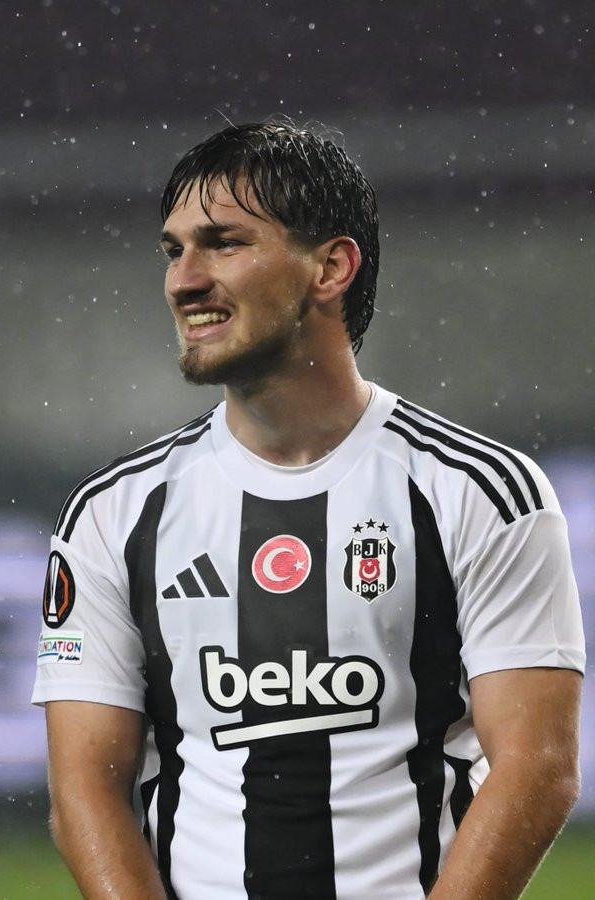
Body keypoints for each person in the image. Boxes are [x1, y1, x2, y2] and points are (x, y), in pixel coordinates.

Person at [32, 121, 585, 900]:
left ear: (331, 267)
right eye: (173, 251)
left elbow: (539, 767)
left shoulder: (481, 492)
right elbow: (85, 790)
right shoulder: (112, 513)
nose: (183, 280)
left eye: (223, 243)